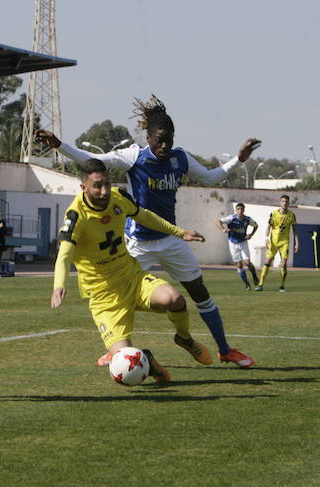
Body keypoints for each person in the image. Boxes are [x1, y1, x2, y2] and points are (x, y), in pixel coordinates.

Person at [35, 95, 260, 368]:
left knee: (199, 292)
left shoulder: (180, 158)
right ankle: (116, 347)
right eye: (159, 139)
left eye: (169, 139)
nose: (165, 146)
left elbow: (211, 177)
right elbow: (93, 159)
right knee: (119, 295)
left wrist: (238, 159)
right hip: (136, 243)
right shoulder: (134, 156)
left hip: (170, 239)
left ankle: (225, 350)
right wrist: (60, 145)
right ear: (149, 136)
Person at [51, 158, 211, 380]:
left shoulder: (118, 197)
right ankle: (147, 360)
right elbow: (64, 255)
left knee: (174, 299)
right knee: (126, 363)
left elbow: (144, 215)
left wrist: (179, 232)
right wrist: (59, 285)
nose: (104, 190)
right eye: (97, 185)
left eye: (106, 183)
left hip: (131, 278)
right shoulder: (76, 216)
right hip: (104, 296)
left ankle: (184, 338)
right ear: (84, 187)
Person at [255, 195, 299, 292]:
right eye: (283, 201)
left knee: (283, 263)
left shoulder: (291, 215)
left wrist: (297, 242)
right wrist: (266, 238)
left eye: (286, 201)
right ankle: (261, 284)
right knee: (267, 262)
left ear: (289, 203)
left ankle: (282, 286)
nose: (285, 203)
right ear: (280, 203)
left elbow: (295, 229)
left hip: (284, 242)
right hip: (273, 242)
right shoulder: (274, 214)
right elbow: (268, 226)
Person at [215, 202, 259, 289]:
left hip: (243, 242)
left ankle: (254, 274)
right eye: (238, 209)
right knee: (239, 264)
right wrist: (223, 229)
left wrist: (251, 235)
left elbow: (256, 225)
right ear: (236, 210)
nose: (240, 211)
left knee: (247, 262)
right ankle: (246, 283)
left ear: (244, 210)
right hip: (233, 243)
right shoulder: (231, 218)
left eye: (242, 209)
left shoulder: (247, 219)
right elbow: (218, 221)